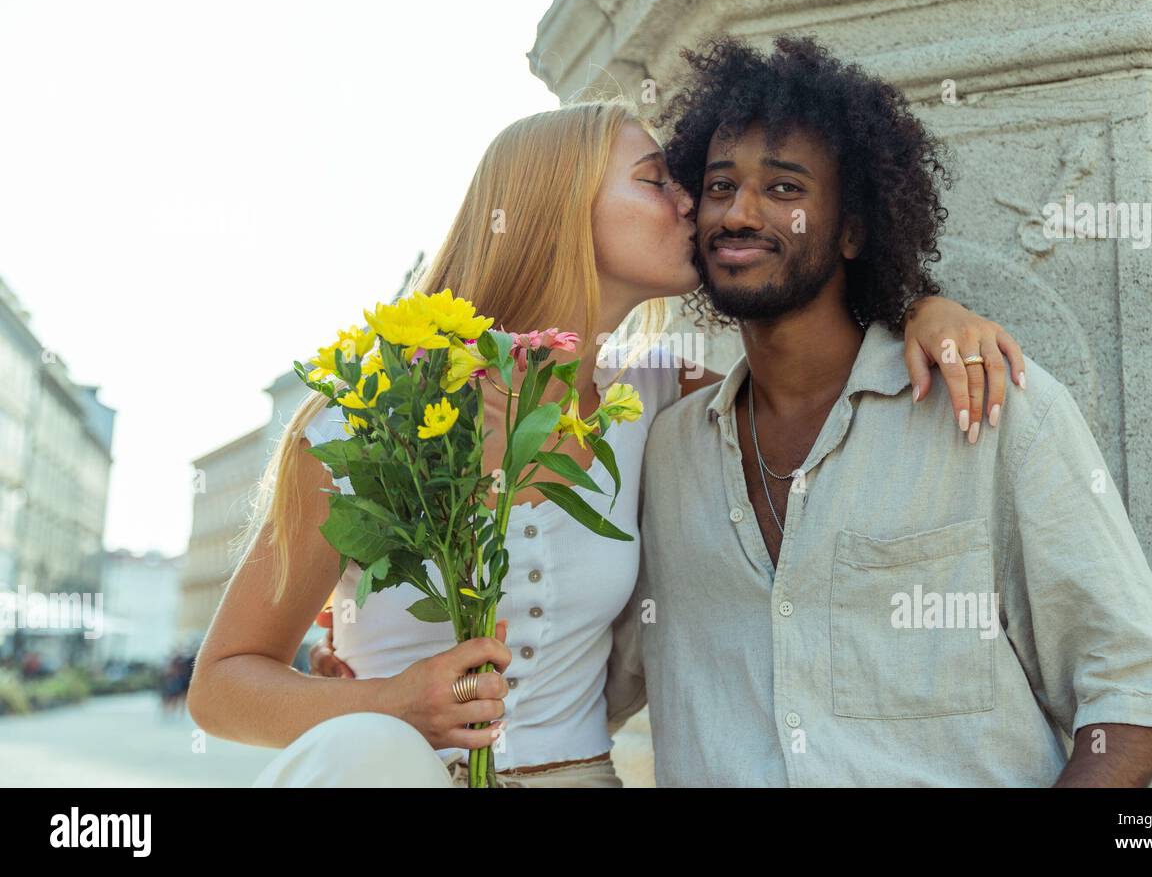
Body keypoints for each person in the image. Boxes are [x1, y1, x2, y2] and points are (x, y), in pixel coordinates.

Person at [189, 96, 1023, 788]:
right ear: (559, 207)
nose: (694, 203)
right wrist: (388, 705)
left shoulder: (661, 398)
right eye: (657, 180)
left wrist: (919, 309)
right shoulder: (364, 426)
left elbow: (817, 358)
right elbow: (222, 685)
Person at [614, 35, 1152, 787]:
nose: (739, 212)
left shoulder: (990, 405)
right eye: (718, 186)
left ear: (852, 230)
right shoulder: (664, 450)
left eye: (783, 190)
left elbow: (1134, 693)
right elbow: (580, 673)